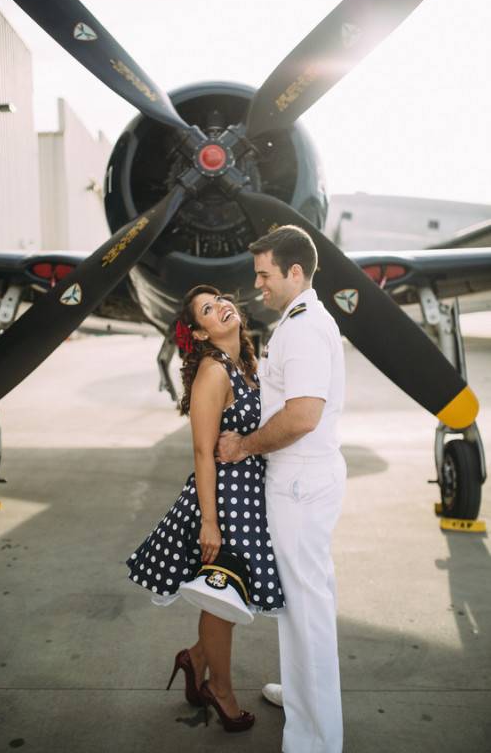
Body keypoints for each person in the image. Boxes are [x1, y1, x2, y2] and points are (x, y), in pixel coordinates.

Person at [126, 284, 285, 733]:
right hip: (224, 500)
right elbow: (201, 451)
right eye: (208, 310)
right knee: (220, 600)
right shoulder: (214, 371)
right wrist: (210, 522)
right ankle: (221, 689)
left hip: (248, 495)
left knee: (227, 596)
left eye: (220, 300)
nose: (222, 307)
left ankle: (194, 660)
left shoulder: (246, 365)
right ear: (198, 333)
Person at [216, 225, 347, 753]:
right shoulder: (297, 320)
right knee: (299, 601)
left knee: (309, 606)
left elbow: (302, 416)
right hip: (299, 478)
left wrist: (244, 445)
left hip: (300, 480)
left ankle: (315, 739)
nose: (258, 285)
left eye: (265, 274)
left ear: (295, 273)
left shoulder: (304, 328)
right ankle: (299, 695)